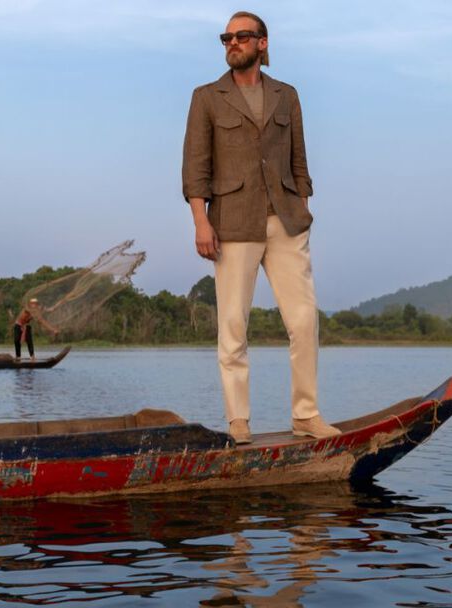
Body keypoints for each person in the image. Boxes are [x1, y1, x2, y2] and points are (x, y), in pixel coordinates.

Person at [182, 11, 341, 444]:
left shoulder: (286, 96)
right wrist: (201, 221)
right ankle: (239, 422)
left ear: (262, 43)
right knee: (233, 326)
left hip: (286, 220)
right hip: (232, 222)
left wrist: (302, 210)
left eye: (241, 36)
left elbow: (299, 161)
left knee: (304, 320)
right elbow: (195, 169)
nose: (232, 43)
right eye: (226, 38)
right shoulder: (207, 97)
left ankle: (306, 416)